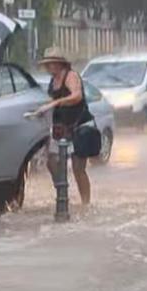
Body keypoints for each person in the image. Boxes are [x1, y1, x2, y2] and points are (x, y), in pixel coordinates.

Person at [32, 48, 94, 206]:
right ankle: (62, 193)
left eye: (51, 63)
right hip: (62, 129)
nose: (48, 67)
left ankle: (85, 204)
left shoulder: (70, 75)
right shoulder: (53, 81)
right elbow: (51, 101)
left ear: (59, 63)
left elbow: (77, 96)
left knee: (78, 168)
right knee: (51, 161)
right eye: (46, 64)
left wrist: (57, 102)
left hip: (80, 126)